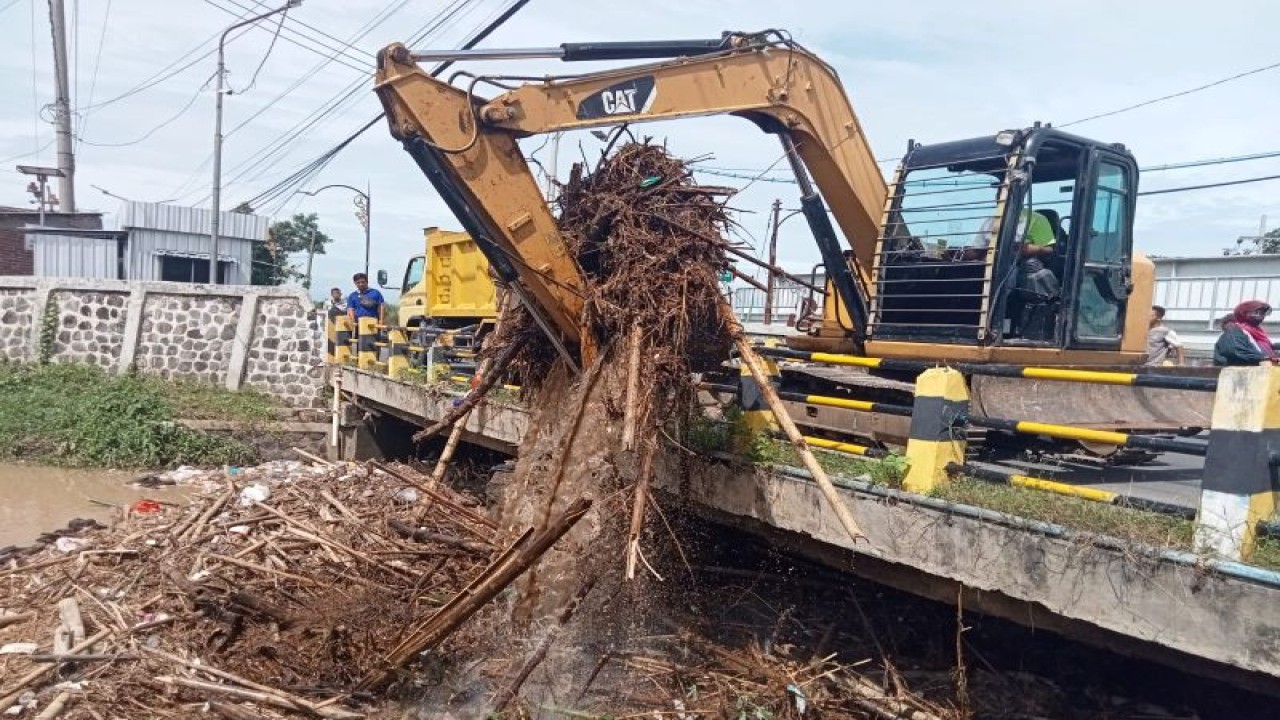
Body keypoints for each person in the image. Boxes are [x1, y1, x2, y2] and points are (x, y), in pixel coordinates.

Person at [1213, 302, 1278, 366]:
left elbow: (1264, 350)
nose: (1261, 316)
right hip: (1240, 372)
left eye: (1262, 313)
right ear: (1244, 314)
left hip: (1263, 371)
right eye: (1257, 312)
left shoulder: (1258, 333)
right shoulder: (1235, 332)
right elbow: (1238, 352)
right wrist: (1265, 357)